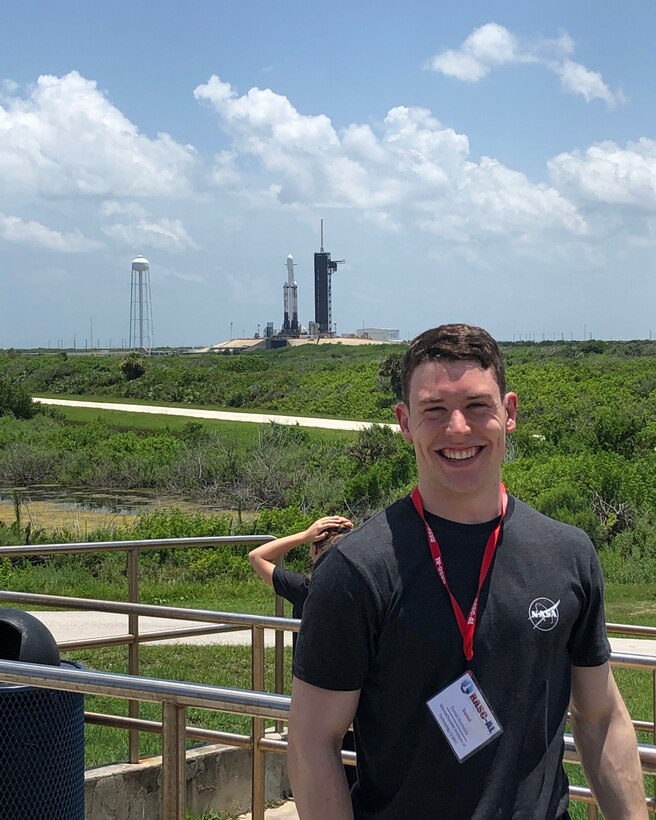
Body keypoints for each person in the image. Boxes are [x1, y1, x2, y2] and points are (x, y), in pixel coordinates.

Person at [288, 323, 647, 820]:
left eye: (478, 406)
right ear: (404, 421)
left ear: (510, 412)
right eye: (434, 409)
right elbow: (313, 743)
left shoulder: (568, 554)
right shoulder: (355, 571)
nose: (458, 428)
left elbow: (600, 717)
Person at [248, 515, 354, 623]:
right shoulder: (361, 589)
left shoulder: (306, 589)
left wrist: (305, 535)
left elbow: (256, 556)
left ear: (315, 550)